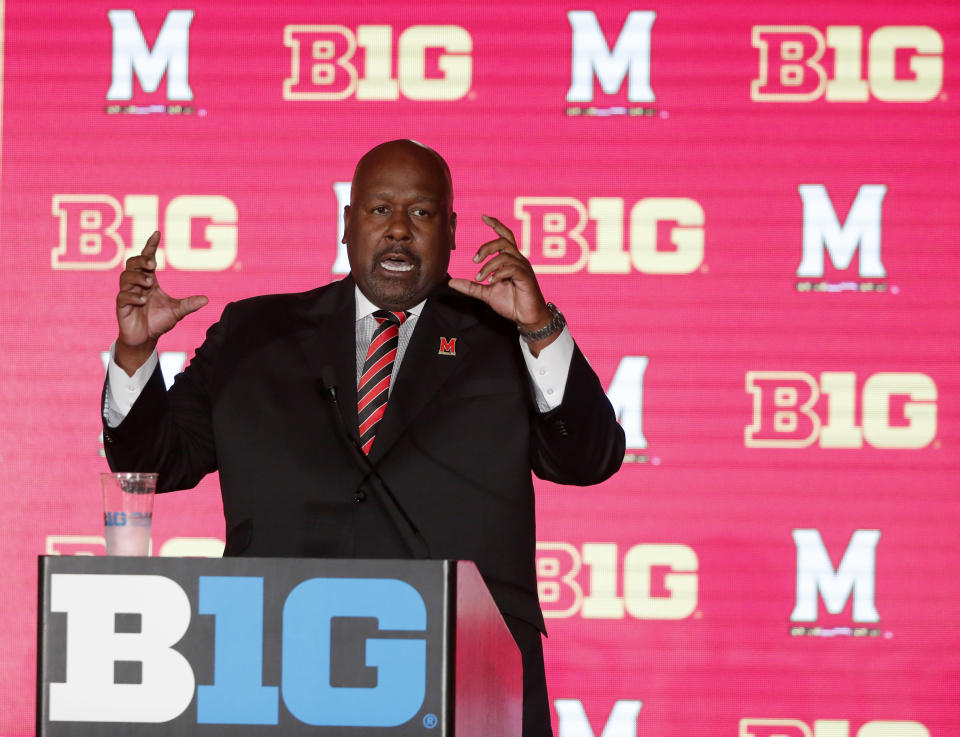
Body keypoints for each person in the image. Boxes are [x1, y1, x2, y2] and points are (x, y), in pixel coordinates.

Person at [103, 139, 625, 736]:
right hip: (277, 665)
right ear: (347, 225)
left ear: (452, 230)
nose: (399, 230)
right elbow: (152, 463)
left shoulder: (507, 338)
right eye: (379, 210)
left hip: (466, 668)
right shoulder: (256, 333)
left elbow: (588, 459)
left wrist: (539, 327)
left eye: (421, 213)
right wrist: (137, 353)